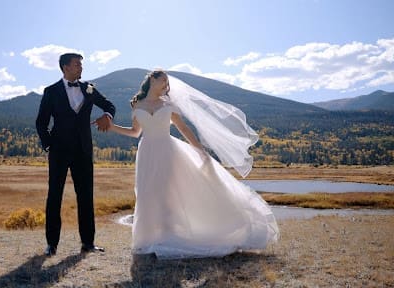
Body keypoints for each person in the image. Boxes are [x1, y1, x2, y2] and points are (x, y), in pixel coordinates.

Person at [109, 70, 279, 259]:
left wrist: (199, 150)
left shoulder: (168, 104)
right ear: (152, 79)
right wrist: (112, 127)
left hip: (167, 150)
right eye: (163, 80)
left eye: (167, 82)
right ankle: (148, 237)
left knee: (167, 192)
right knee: (147, 192)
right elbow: (135, 132)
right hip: (147, 152)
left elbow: (183, 128)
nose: (166, 85)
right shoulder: (137, 104)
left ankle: (169, 235)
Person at [36, 53, 115, 256]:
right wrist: (49, 146)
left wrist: (107, 116)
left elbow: (109, 105)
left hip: (83, 151)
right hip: (59, 152)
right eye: (77, 64)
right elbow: (41, 123)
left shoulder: (88, 88)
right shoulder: (51, 91)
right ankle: (51, 244)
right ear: (65, 67)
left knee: (86, 196)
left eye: (81, 64)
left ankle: (88, 243)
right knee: (54, 196)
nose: (81, 67)